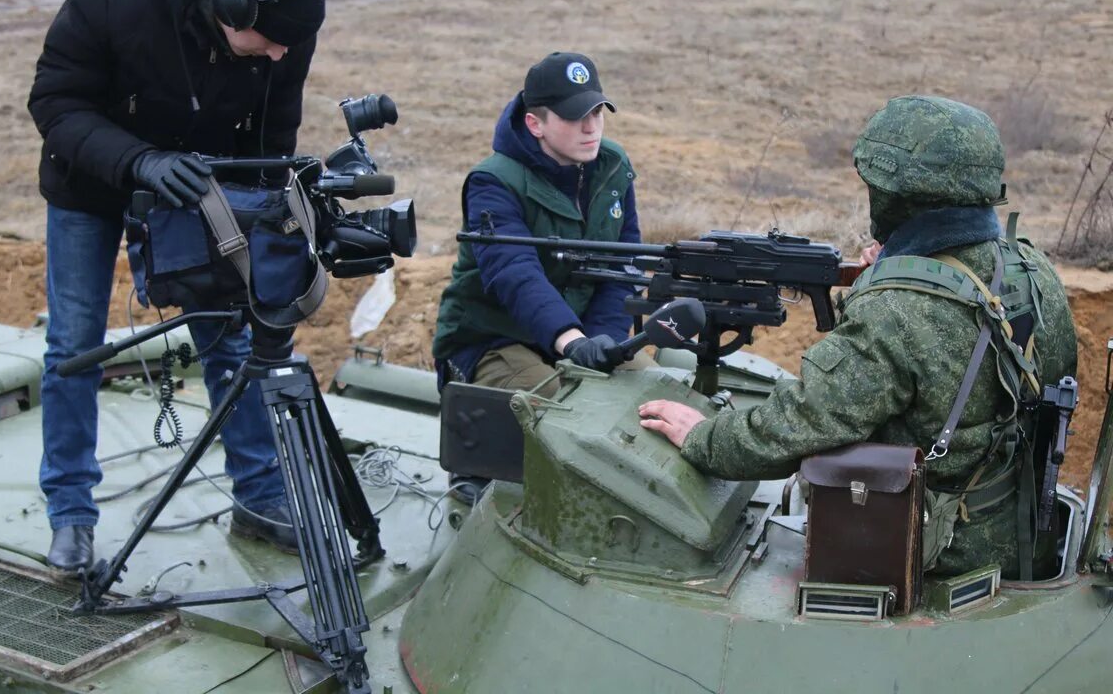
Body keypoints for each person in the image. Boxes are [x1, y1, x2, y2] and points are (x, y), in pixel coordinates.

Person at [638, 95, 1077, 580]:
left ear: (898, 197)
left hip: (944, 553)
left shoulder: (897, 311)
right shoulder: (1031, 268)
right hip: (1024, 527)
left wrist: (704, 437)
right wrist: (892, 273)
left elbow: (799, 425)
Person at [27, 0, 329, 572]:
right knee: (75, 343)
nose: (280, 55)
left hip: (203, 187)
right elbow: (54, 103)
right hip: (90, 186)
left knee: (232, 330)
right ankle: (71, 514)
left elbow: (273, 130)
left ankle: (260, 493)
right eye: (270, 43)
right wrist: (140, 162)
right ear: (230, 6)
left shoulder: (286, 20)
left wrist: (268, 215)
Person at [432, 52, 654, 499]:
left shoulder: (611, 166)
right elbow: (515, 274)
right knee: (567, 416)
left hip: (583, 335)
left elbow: (622, 265)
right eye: (575, 118)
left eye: (596, 113)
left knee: (652, 396)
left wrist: (605, 340)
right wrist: (572, 344)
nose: (591, 127)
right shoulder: (493, 182)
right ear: (536, 124)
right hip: (494, 339)